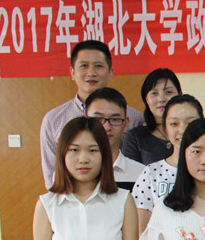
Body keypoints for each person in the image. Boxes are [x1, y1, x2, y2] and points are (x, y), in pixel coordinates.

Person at [39, 40, 141, 188]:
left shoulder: (135, 118)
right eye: (84, 65)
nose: (91, 73)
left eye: (98, 66)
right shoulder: (54, 120)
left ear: (110, 73)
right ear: (72, 72)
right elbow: (51, 173)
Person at [132, 95, 204, 233]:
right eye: (174, 124)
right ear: (165, 128)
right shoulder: (151, 173)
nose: (182, 130)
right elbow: (142, 232)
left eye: (190, 123)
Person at [84, 87, 145, 190]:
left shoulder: (141, 174)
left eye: (115, 119)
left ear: (126, 123)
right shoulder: (72, 172)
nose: (106, 127)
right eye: (98, 119)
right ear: (85, 121)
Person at [122, 68, 182, 165]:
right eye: (154, 93)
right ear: (146, 99)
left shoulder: (190, 132)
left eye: (168, 92)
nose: (161, 99)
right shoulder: (134, 138)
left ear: (179, 94)